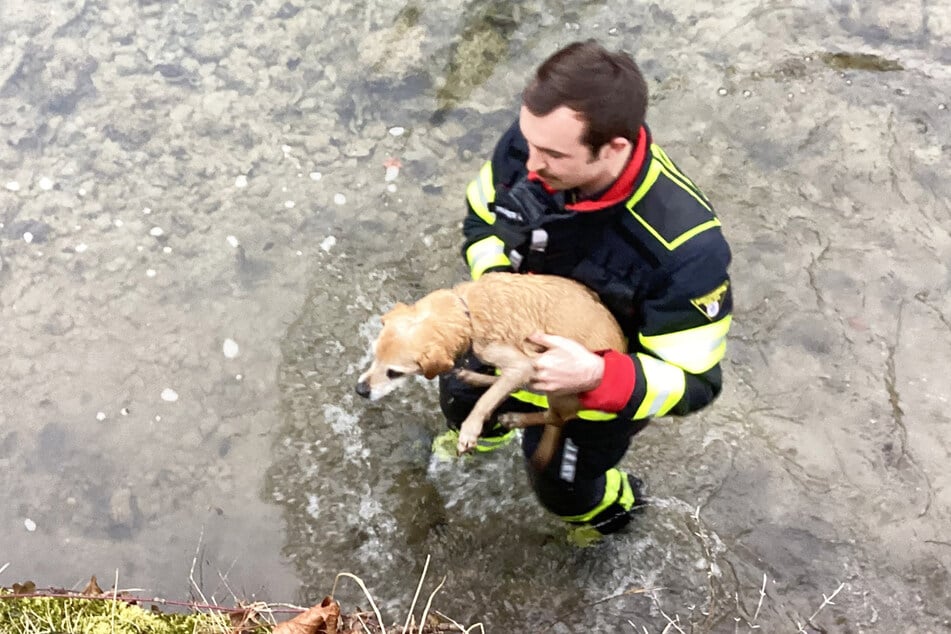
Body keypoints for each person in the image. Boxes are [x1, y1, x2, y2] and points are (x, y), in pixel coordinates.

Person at [437, 39, 733, 536]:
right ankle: (474, 445)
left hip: (595, 393)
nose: (528, 164)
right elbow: (481, 220)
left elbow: (697, 384)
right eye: (527, 140)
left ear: (614, 147)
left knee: (561, 488)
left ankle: (609, 520)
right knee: (458, 397)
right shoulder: (528, 145)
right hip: (504, 338)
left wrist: (598, 375)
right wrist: (494, 287)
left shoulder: (686, 248)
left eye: (552, 153)